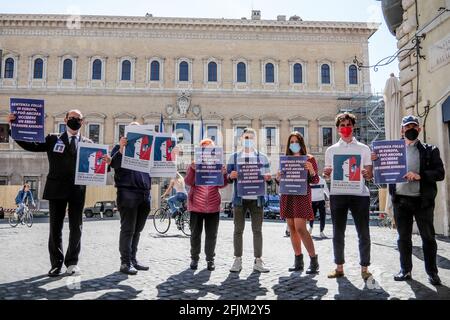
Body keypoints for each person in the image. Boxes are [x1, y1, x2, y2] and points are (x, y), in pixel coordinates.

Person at [8, 109, 95, 277]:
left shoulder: (88, 143)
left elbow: (97, 167)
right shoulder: (53, 138)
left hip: (77, 190)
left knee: (76, 227)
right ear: (65, 119)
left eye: (78, 119)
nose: (75, 121)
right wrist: (14, 129)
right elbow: (31, 145)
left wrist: (105, 162)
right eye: (72, 118)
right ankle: (56, 264)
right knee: (55, 228)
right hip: (56, 189)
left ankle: (72, 263)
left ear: (82, 122)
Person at [374, 115, 445, 285]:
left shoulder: (430, 150)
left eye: (414, 126)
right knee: (403, 238)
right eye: (407, 127)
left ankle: (432, 273)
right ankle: (405, 270)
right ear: (402, 130)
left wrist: (421, 175)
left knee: (428, 238)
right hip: (401, 201)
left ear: (419, 129)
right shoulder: (391, 150)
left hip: (423, 201)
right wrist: (377, 162)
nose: (410, 129)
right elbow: (382, 177)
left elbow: (440, 173)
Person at [323, 112, 374, 281]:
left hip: (360, 194)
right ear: (338, 129)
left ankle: (364, 268)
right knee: (338, 233)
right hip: (338, 194)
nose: (345, 128)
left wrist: (367, 173)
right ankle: (339, 267)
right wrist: (326, 174)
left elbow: (369, 175)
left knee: (363, 232)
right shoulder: (331, 150)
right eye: (342, 125)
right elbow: (328, 174)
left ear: (353, 127)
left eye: (348, 125)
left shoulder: (364, 149)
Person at [108, 121, 152, 275]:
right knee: (128, 229)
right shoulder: (119, 147)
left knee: (137, 230)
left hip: (145, 193)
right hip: (127, 192)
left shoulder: (147, 149)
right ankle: (125, 262)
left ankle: (133, 259)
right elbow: (113, 165)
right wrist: (121, 148)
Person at [227, 127, 272, 273]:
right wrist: (230, 176)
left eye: (251, 138)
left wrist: (268, 179)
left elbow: (269, 181)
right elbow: (226, 179)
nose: (248, 140)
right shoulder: (233, 157)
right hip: (239, 198)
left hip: (257, 199)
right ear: (241, 139)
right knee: (238, 230)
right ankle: (237, 260)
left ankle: (258, 261)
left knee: (257, 230)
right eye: (246, 138)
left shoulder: (263, 158)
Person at [276, 131, 319, 273]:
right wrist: (278, 177)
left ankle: (313, 260)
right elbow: (280, 181)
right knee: (292, 228)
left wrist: (312, 171)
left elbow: (315, 180)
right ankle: (298, 260)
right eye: (292, 142)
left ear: (301, 143)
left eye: (297, 141)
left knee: (301, 228)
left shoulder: (309, 159)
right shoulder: (285, 159)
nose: (294, 144)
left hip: (302, 196)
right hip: (288, 195)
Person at [184, 138, 228, 271]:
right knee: (195, 234)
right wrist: (192, 169)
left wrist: (224, 175)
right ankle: (194, 259)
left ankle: (210, 260)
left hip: (213, 206)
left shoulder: (217, 165)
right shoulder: (195, 165)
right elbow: (188, 182)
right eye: (205, 150)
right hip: (196, 206)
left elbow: (222, 185)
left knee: (211, 235)